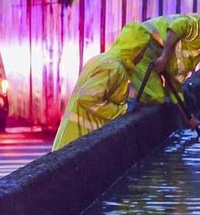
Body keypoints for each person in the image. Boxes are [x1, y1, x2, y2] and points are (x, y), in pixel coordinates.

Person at [52, 22, 152, 151]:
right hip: (81, 140)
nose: (142, 56)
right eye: (142, 50)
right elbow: (87, 98)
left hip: (72, 139)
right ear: (136, 50)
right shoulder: (114, 68)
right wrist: (123, 110)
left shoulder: (102, 60)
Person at [130, 13, 200, 106]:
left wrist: (187, 115)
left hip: (149, 51)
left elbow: (174, 82)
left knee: (158, 96)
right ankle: (125, 103)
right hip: (140, 41)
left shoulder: (198, 53)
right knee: (154, 96)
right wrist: (164, 57)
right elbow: (177, 27)